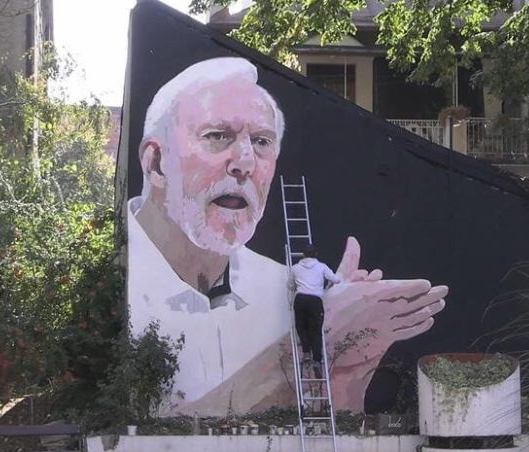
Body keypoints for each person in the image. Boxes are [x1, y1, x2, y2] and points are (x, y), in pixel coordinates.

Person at [128, 56, 449, 416]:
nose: (245, 163)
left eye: (262, 141)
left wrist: (348, 361)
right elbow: (166, 431)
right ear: (156, 163)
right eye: (217, 136)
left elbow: (325, 425)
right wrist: (312, 341)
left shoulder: (279, 284)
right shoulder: (105, 283)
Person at [290, 244, 341, 374]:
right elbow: (336, 280)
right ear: (316, 254)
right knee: (316, 331)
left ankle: (306, 352)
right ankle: (317, 360)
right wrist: (327, 286)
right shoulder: (321, 267)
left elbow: (290, 285)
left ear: (303, 255)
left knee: (301, 327)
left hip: (300, 299)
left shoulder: (295, 268)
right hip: (315, 301)